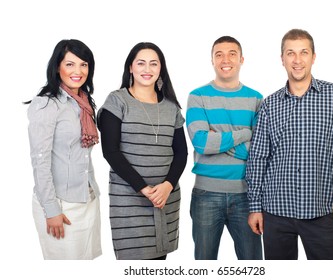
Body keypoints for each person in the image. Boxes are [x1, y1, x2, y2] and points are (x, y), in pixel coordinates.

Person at [246, 28, 333, 260]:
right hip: (276, 211)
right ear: (282, 59)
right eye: (291, 53)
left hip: (320, 211)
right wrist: (254, 207)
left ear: (313, 57)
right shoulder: (269, 105)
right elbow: (258, 158)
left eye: (303, 52)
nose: (297, 60)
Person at [97, 42, 188, 260]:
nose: (147, 69)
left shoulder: (171, 107)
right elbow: (111, 151)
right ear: (130, 67)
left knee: (159, 261)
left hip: (165, 199)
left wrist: (167, 186)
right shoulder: (117, 100)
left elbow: (181, 153)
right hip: (129, 200)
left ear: (160, 69)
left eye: (153, 64)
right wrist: (144, 189)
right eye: (141, 63)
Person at [186, 36, 263, 260]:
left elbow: (259, 151)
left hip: (246, 196)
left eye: (231, 54)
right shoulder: (198, 96)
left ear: (241, 59)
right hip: (205, 195)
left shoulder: (257, 99)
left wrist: (218, 140)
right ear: (212, 60)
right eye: (219, 54)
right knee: (204, 263)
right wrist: (245, 134)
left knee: (252, 264)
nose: (225, 59)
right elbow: (201, 142)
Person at [26, 39, 102, 260]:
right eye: (70, 64)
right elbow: (40, 160)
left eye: (84, 64)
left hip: (87, 199)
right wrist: (51, 210)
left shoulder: (84, 102)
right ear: (57, 66)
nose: (78, 71)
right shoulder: (47, 104)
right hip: (61, 204)